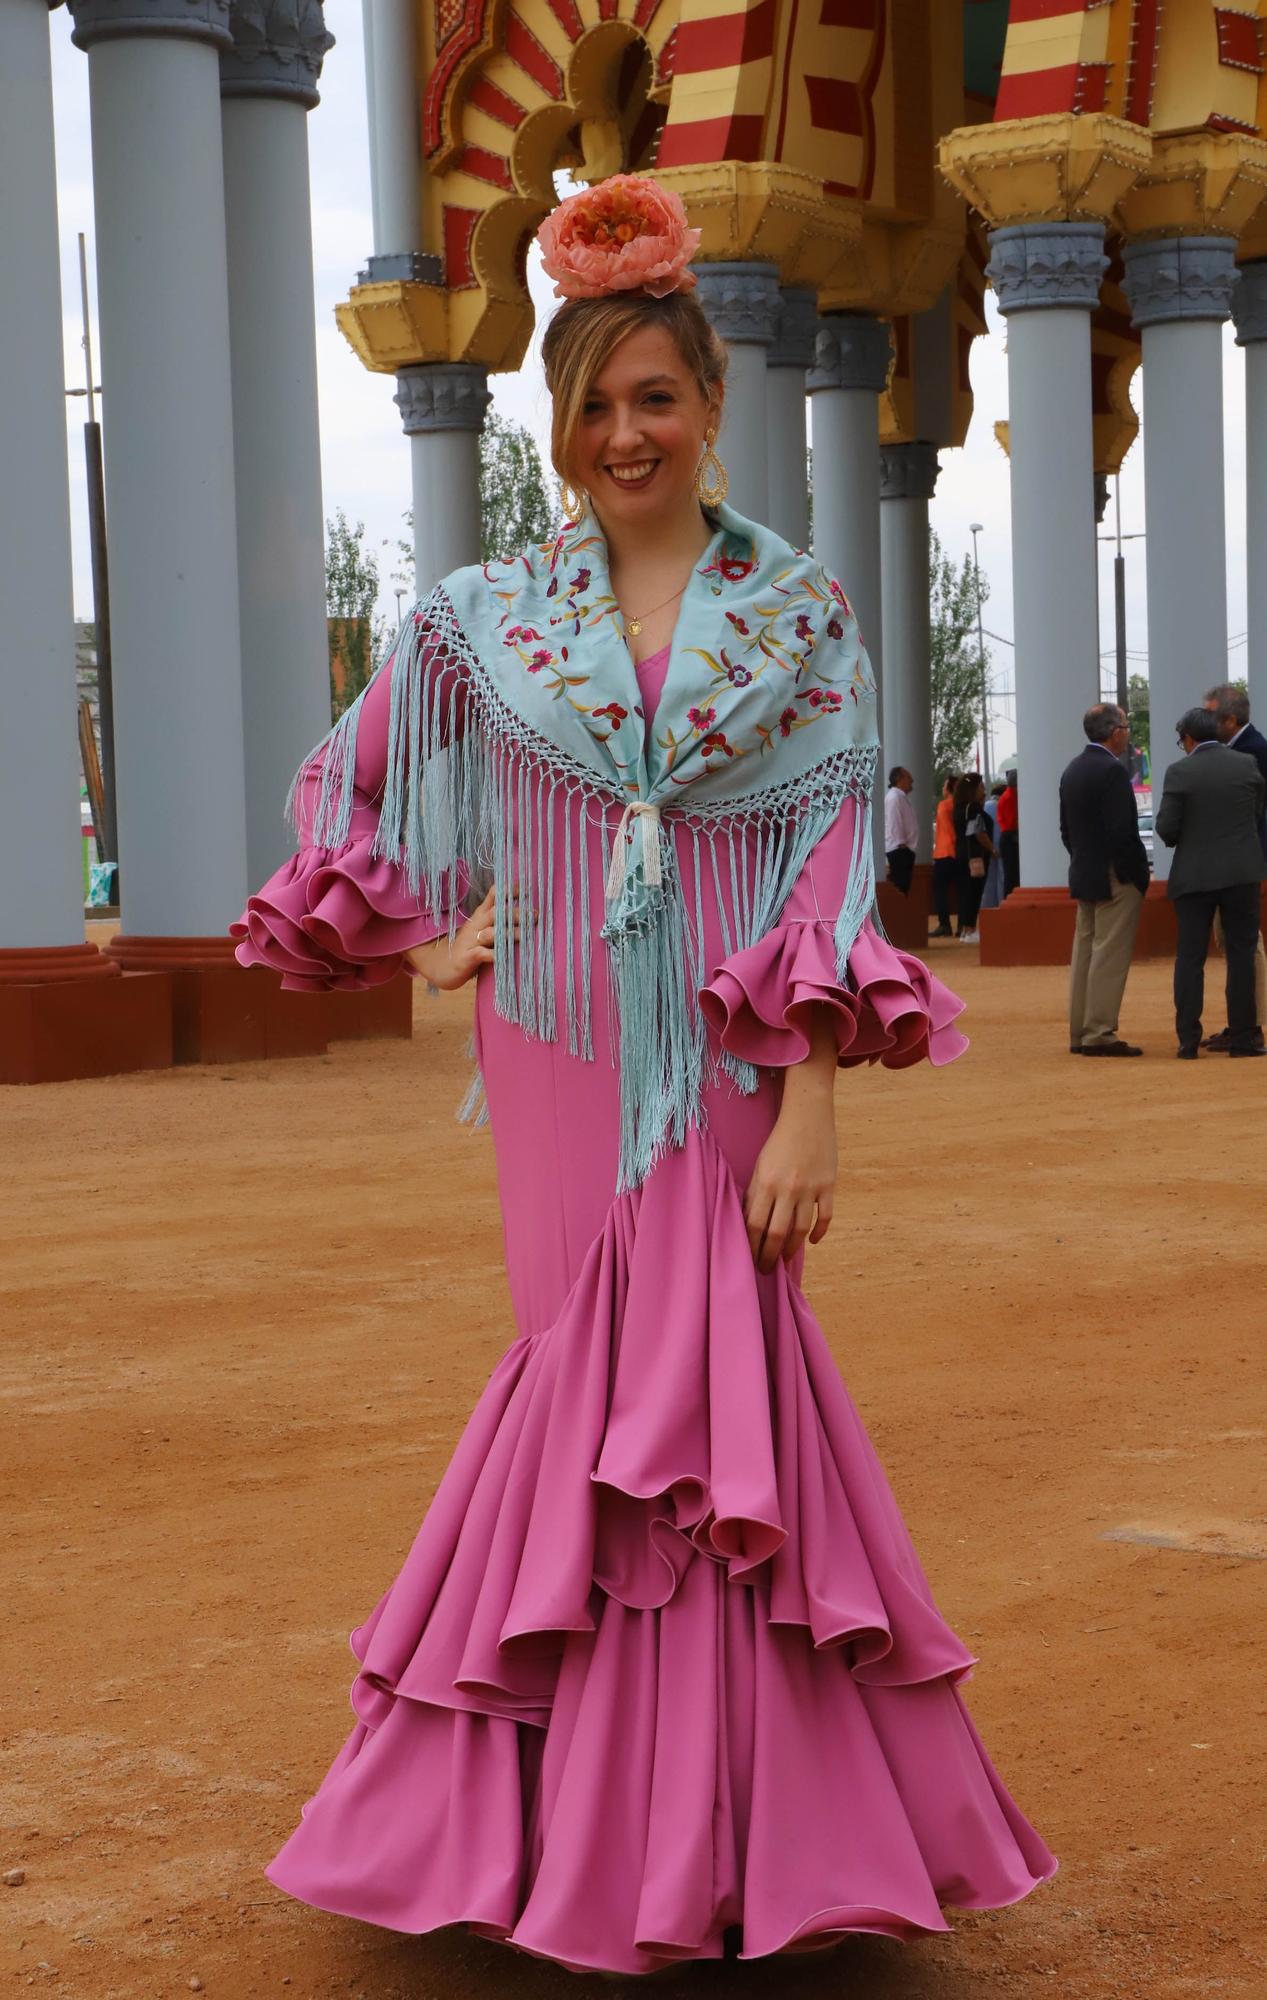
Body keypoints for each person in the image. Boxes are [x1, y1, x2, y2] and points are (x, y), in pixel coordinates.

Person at [232, 174, 1054, 1976]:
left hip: (740, 1055)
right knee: (580, 1381)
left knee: (723, 1383)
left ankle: (731, 1841)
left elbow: (837, 859)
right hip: (558, 1051)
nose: (626, 433)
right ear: (556, 421)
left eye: (656, 397)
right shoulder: (479, 619)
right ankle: (560, 1829)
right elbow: (342, 786)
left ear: (712, 407)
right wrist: (419, 928)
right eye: (594, 403)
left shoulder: (802, 617)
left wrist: (819, 1089)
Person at [1156, 705, 1267, 1058]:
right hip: (1242, 873)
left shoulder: (1179, 772)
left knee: (1190, 958)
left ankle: (1188, 1040)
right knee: (1242, 954)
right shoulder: (1246, 765)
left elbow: (1167, 829)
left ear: (1189, 738)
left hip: (1194, 876)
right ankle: (1244, 1038)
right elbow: (1256, 813)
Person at [1058, 703, 1150, 1056]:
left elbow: (1066, 830)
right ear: (1115, 732)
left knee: (1085, 951)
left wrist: (1083, 858)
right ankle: (1100, 1032)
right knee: (1110, 954)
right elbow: (1122, 832)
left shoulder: (1073, 769)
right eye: (1126, 726)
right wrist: (1138, 875)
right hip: (1116, 874)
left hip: (1085, 870)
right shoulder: (1112, 771)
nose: (1127, 733)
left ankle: (1080, 1031)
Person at [1202, 683, 1267, 1051]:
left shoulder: (1255, 751)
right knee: (1233, 943)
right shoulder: (1240, 749)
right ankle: (1241, 1022)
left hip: (1243, 863)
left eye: (1210, 714)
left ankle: (1252, 1024)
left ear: (1230, 718)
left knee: (1247, 943)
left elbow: (1254, 814)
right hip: (1232, 862)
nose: (1204, 720)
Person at [953, 771, 993, 941]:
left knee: (965, 892)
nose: (983, 790)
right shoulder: (974, 807)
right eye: (981, 787)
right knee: (974, 891)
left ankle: (964, 929)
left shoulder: (958, 807)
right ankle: (970, 929)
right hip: (975, 856)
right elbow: (978, 832)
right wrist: (992, 849)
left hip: (961, 853)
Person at [883, 763, 919, 894]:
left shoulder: (899, 797)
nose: (911, 780)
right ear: (900, 779)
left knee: (903, 887)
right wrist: (901, 844)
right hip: (899, 850)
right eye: (908, 777)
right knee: (899, 888)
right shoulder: (894, 797)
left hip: (903, 850)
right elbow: (894, 821)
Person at [931, 773, 958, 936]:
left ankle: (944, 924)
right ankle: (963, 926)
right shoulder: (960, 804)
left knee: (940, 891)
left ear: (949, 788)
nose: (942, 788)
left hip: (943, 852)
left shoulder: (944, 805)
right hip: (957, 852)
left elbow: (948, 829)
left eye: (945, 785)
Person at [980, 779, 1007, 913]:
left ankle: (987, 908)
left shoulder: (985, 806)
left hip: (987, 846)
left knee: (989, 880)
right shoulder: (1002, 804)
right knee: (1002, 878)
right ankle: (1001, 906)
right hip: (1002, 846)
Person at [998, 768, 1020, 896]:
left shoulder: (1009, 796)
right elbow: (1013, 822)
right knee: (1011, 874)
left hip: (1010, 837)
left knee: (1013, 873)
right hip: (1010, 838)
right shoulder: (1009, 798)